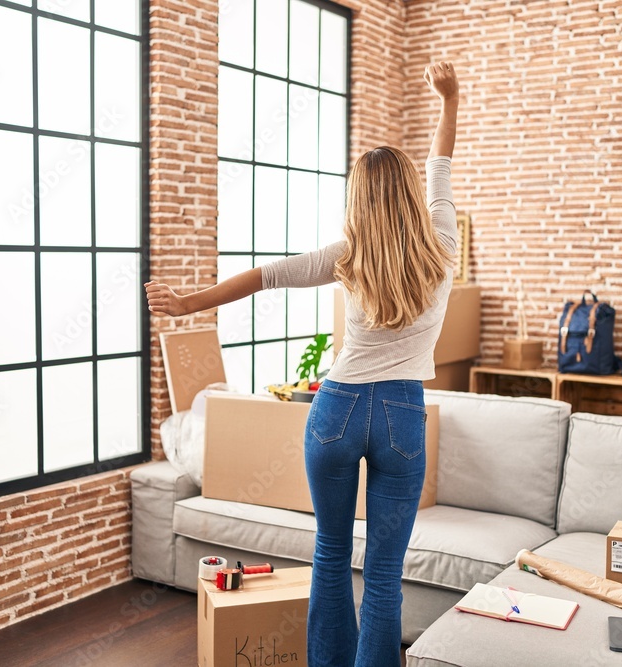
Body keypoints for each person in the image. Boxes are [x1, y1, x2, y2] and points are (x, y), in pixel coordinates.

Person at [146, 61, 460, 667]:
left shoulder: (348, 254)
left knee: (331, 554)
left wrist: (187, 303)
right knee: (387, 575)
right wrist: (450, 98)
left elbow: (266, 276)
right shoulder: (442, 245)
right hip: (401, 413)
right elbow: (440, 166)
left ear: (359, 199)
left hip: (336, 410)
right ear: (413, 195)